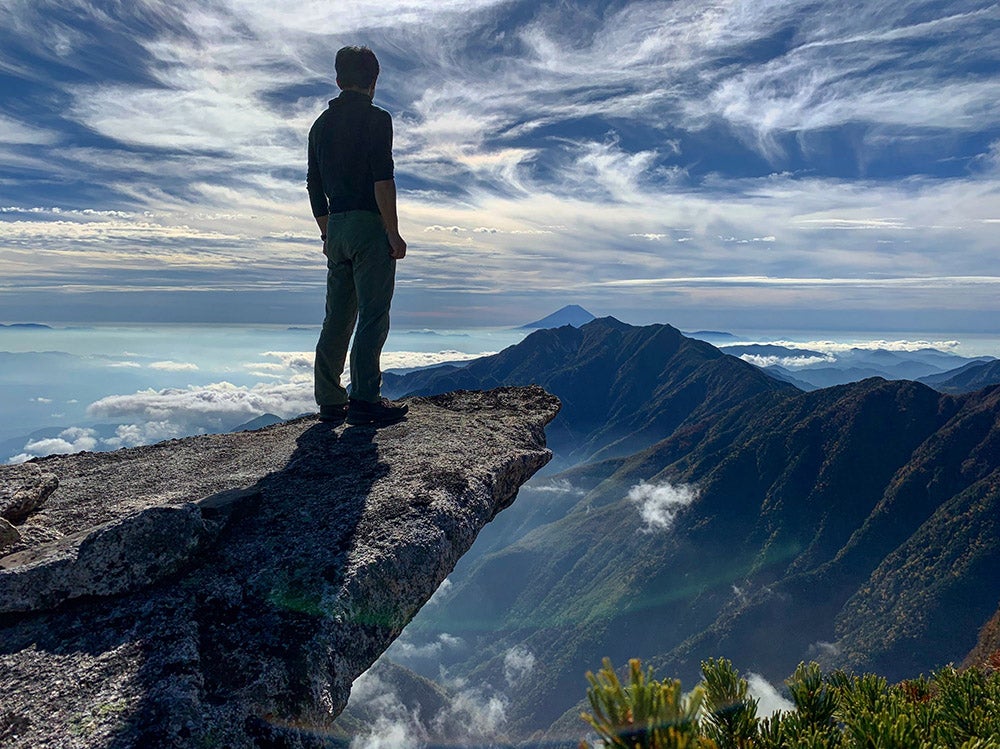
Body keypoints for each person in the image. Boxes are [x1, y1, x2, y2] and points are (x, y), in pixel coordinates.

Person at [307, 46, 409, 426]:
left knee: (337, 315)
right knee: (372, 313)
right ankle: (365, 399)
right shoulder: (377, 119)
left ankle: (330, 400)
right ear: (374, 81)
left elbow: (313, 185)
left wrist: (326, 230)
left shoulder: (320, 126)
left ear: (337, 80)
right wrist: (393, 233)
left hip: (336, 228)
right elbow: (383, 178)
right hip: (369, 225)